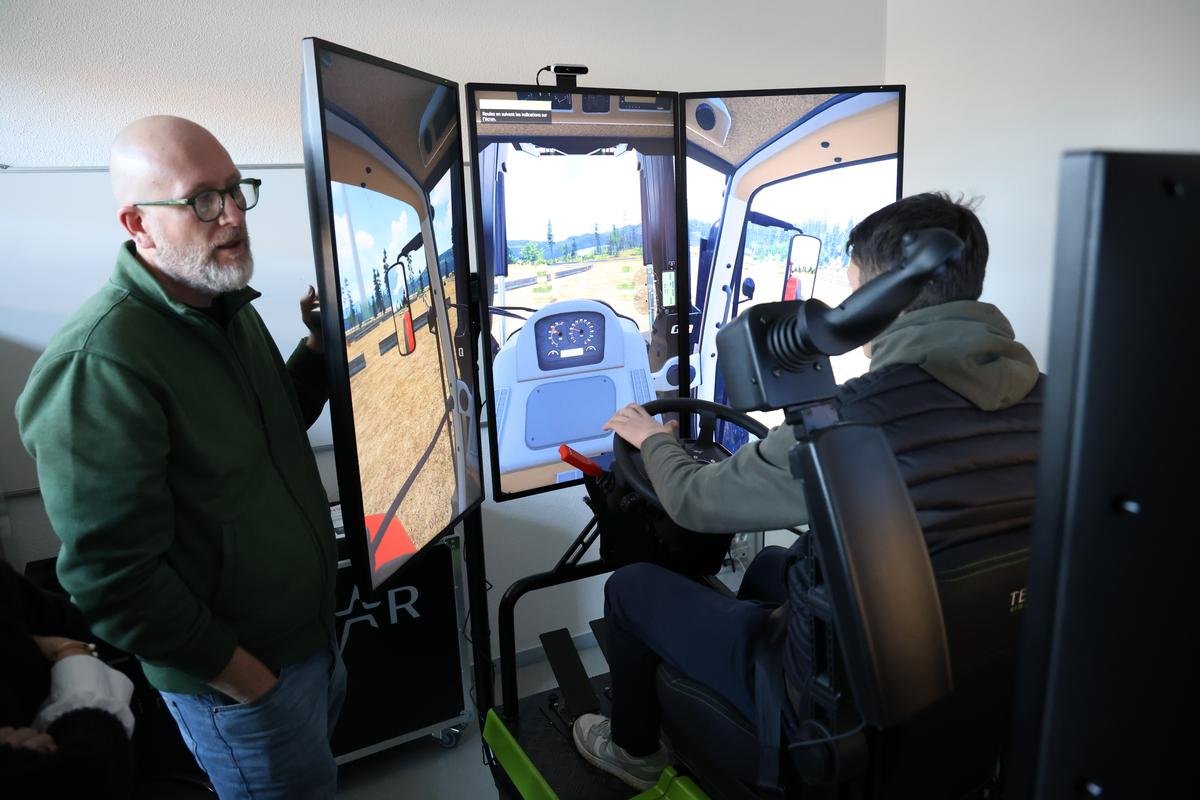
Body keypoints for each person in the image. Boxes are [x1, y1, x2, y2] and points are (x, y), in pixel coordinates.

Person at [572, 193, 1043, 791]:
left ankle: (634, 750)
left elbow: (693, 499)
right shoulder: (1058, 406)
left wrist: (652, 440)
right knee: (772, 563)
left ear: (881, 298)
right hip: (974, 690)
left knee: (632, 587)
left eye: (853, 294)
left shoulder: (848, 425)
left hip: (832, 715)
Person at [16, 116, 345, 799]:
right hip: (242, 685)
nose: (231, 215)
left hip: (310, 644)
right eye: (201, 200)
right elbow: (111, 579)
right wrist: (245, 678)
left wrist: (317, 351)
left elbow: (272, 424)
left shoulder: (224, 303)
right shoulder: (100, 363)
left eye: (235, 190)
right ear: (137, 223)